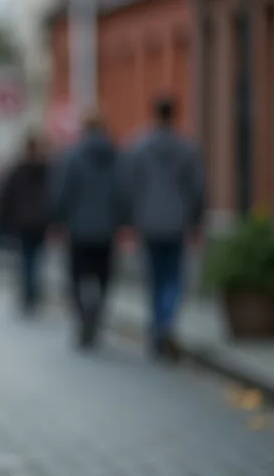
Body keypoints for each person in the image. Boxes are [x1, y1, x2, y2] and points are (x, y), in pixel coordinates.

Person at [123, 95, 206, 361]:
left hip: (148, 221)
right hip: (177, 221)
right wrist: (196, 221)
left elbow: (130, 186)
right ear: (175, 115)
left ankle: (157, 326)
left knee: (154, 278)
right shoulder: (187, 149)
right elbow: (197, 189)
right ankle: (167, 322)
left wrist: (130, 219)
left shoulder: (139, 147)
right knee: (173, 277)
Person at [49, 111, 127, 349]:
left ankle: (83, 311)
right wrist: (123, 219)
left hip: (78, 228)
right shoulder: (116, 155)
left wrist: (57, 217)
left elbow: (62, 190)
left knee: (76, 275)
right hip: (107, 228)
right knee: (104, 274)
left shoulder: (72, 156)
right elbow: (123, 189)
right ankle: (97, 309)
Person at [0, 134, 52, 316]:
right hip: (41, 221)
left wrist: (5, 220)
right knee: (36, 257)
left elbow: (7, 196)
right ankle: (33, 291)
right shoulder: (47, 170)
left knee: (25, 257)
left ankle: (28, 293)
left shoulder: (19, 170)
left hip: (22, 220)